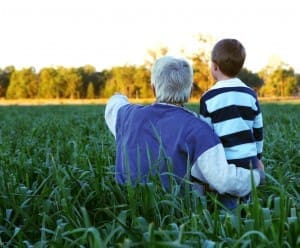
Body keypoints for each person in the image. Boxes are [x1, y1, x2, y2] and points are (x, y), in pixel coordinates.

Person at [105, 55, 264, 201]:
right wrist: (257, 176)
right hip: (177, 217)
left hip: (127, 208)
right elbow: (224, 180)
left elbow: (114, 103)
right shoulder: (199, 129)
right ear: (189, 92)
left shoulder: (126, 115)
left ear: (153, 88)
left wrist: (121, 96)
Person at [199, 38, 264, 210]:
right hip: (249, 160)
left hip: (224, 161)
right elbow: (258, 130)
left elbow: (206, 136)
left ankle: (229, 228)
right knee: (248, 202)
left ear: (214, 66)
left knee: (227, 204)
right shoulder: (250, 95)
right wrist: (258, 158)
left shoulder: (208, 98)